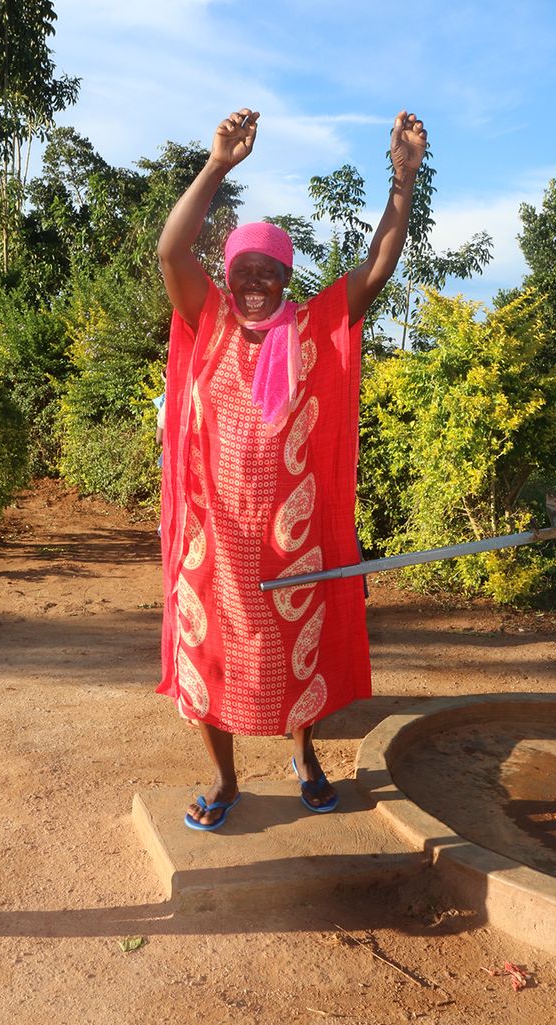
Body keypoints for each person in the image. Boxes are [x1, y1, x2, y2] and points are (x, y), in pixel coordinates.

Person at [157, 106, 427, 830]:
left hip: (289, 540)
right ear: (226, 274)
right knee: (205, 659)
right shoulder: (205, 318)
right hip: (210, 544)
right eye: (242, 269)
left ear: (285, 277)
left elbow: (376, 266)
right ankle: (222, 777)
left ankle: (304, 755)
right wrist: (216, 166)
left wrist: (402, 180)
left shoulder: (313, 329)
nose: (253, 283)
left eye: (268, 272)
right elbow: (168, 251)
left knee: (295, 661)